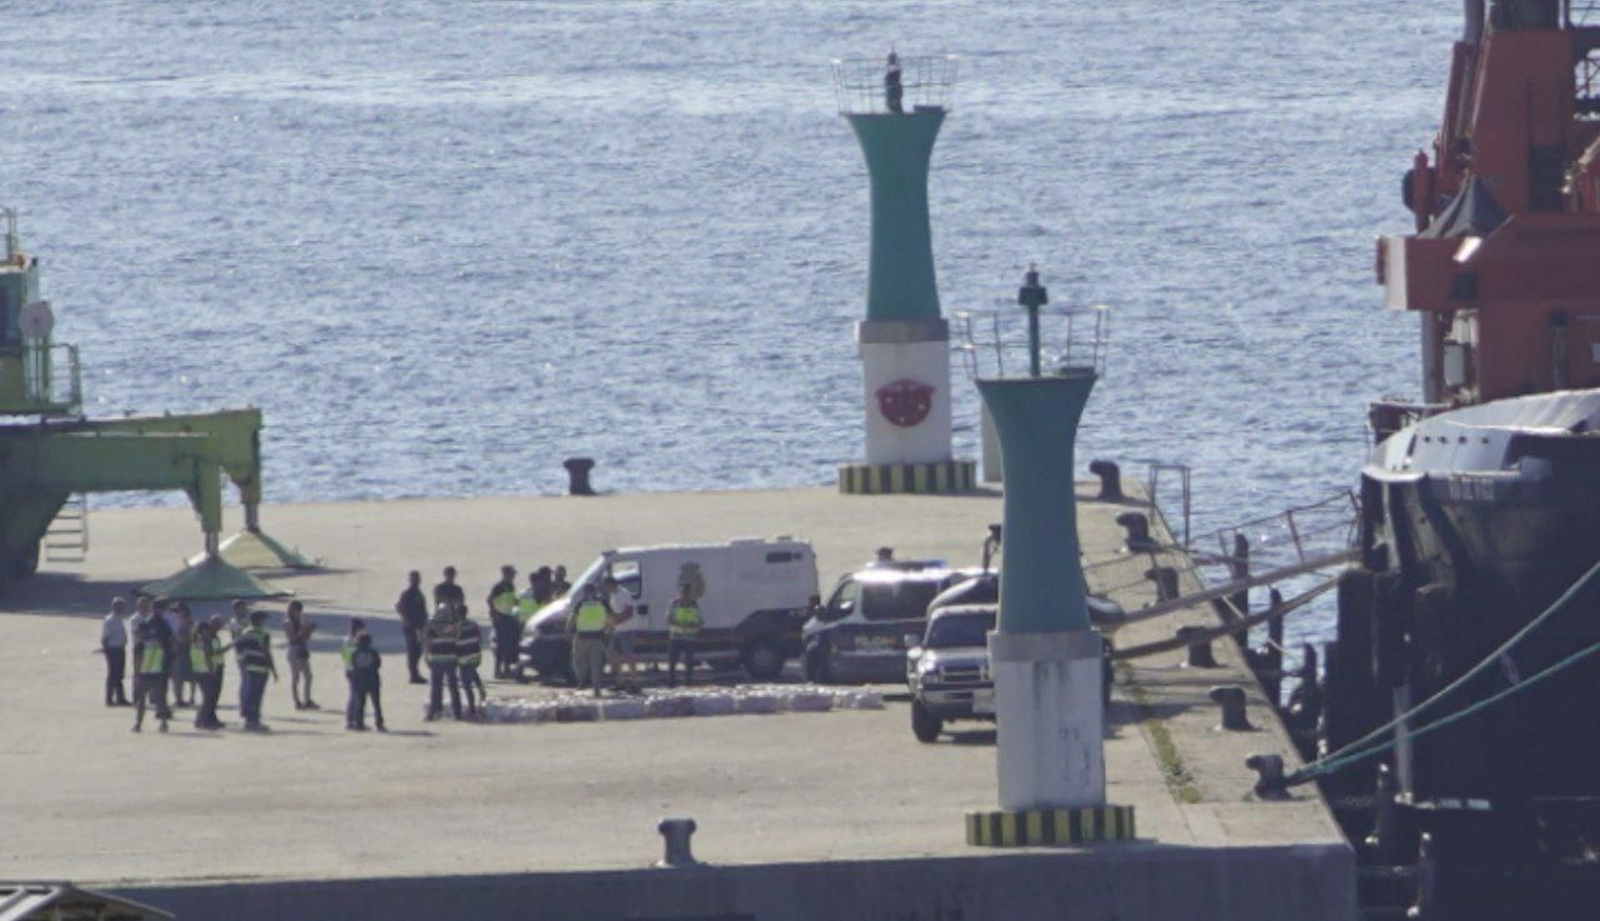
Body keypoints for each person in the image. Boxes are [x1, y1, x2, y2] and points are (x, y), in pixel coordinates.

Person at [131, 605, 174, 733]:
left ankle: (138, 724)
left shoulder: (140, 644)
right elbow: (169, 650)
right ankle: (163, 723)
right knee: (161, 700)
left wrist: (136, 674)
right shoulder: (159, 642)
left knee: (141, 701)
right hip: (158, 672)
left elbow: (137, 660)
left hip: (144, 673)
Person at [235, 609, 277, 731]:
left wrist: (243, 665)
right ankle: (254, 721)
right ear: (258, 621)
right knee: (257, 695)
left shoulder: (245, 632)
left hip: (249, 667)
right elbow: (267, 652)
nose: (264, 622)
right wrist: (273, 670)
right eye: (263, 619)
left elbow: (240, 650)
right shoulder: (264, 634)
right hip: (261, 668)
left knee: (249, 694)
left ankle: (248, 720)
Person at [566, 584, 610, 697]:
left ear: (585, 592)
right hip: (597, 637)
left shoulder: (581, 604)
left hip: (582, 637)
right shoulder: (602, 603)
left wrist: (568, 631)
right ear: (595, 591)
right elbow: (611, 617)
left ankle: (581, 680)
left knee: (578, 660)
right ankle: (596, 689)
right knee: (595, 663)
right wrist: (608, 629)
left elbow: (572, 619)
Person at [424, 602, 461, 721]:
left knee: (436, 687)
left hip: (437, 659)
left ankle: (434, 712)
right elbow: (457, 639)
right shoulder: (455, 625)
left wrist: (427, 657)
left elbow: (427, 643)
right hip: (450, 658)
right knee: (453, 687)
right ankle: (457, 713)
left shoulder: (431, 625)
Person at [603, 576, 640, 692]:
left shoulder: (624, 593)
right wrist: (609, 625)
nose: (606, 588)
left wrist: (617, 620)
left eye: (607, 586)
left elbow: (629, 611)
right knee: (613, 655)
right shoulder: (612, 596)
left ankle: (635, 683)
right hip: (617, 630)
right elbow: (613, 612)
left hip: (627, 630)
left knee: (629, 656)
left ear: (611, 584)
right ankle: (620, 681)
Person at [283, 600, 319, 710]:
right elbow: (292, 638)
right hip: (294, 649)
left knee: (308, 676)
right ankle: (297, 701)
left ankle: (307, 700)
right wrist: (304, 630)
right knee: (296, 677)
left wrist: (309, 631)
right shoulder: (287, 622)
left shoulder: (299, 621)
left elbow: (304, 638)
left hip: (302, 648)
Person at [190, 621, 225, 731]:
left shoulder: (195, 641)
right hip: (205, 671)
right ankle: (203, 720)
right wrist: (212, 671)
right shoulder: (204, 641)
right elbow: (207, 657)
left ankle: (203, 720)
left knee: (207, 697)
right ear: (204, 630)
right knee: (209, 697)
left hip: (197, 670)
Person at [395, 571, 429, 684]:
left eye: (418, 579)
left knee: (418, 651)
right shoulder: (408, 593)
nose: (417, 581)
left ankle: (415, 673)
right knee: (413, 651)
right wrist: (408, 621)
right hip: (411, 627)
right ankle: (413, 675)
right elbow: (399, 607)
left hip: (419, 626)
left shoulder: (418, 593)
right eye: (414, 579)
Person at [667, 584, 703, 688]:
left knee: (689, 663)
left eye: (687, 593)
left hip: (690, 638)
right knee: (672, 662)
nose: (685, 595)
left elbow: (700, 621)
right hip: (675, 638)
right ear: (680, 593)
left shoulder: (695, 605)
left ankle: (688, 683)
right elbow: (668, 620)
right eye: (683, 593)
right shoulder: (674, 604)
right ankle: (671, 683)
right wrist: (682, 624)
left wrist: (695, 625)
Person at [348, 632, 386, 732]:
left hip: (359, 680)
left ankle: (359, 723)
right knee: (376, 703)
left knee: (361, 702)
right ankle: (379, 723)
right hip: (372, 679)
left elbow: (352, 664)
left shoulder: (354, 652)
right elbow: (378, 664)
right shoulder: (373, 652)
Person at [488, 565, 518, 679]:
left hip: (509, 617)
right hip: (501, 619)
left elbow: (511, 600)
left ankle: (506, 669)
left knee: (509, 645)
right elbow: (490, 600)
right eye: (512, 573)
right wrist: (494, 613)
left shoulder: (511, 586)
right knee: (501, 645)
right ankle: (497, 670)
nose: (513, 576)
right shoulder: (499, 587)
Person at [456, 604, 486, 717]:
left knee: (467, 685)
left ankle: (472, 709)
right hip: (475, 655)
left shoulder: (457, 627)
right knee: (473, 671)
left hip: (464, 657)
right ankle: (481, 689)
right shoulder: (474, 624)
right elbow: (480, 638)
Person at [101, 597, 131, 706]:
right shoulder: (110, 620)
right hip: (113, 649)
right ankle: (109, 698)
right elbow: (105, 638)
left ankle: (120, 697)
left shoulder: (120, 619)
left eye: (123, 606)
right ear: (114, 607)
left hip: (120, 648)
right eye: (120, 606)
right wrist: (106, 651)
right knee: (113, 674)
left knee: (119, 674)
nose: (122, 608)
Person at [206, 614, 231, 727]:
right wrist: (227, 647)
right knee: (212, 694)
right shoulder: (209, 636)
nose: (220, 626)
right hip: (213, 668)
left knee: (216, 694)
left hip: (219, 666)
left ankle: (212, 717)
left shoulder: (215, 636)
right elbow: (211, 653)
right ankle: (208, 718)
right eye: (218, 624)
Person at [342, 618, 366, 730]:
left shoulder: (351, 640)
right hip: (353, 670)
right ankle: (351, 720)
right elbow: (348, 657)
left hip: (354, 670)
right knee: (354, 696)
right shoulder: (350, 641)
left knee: (357, 696)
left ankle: (356, 719)